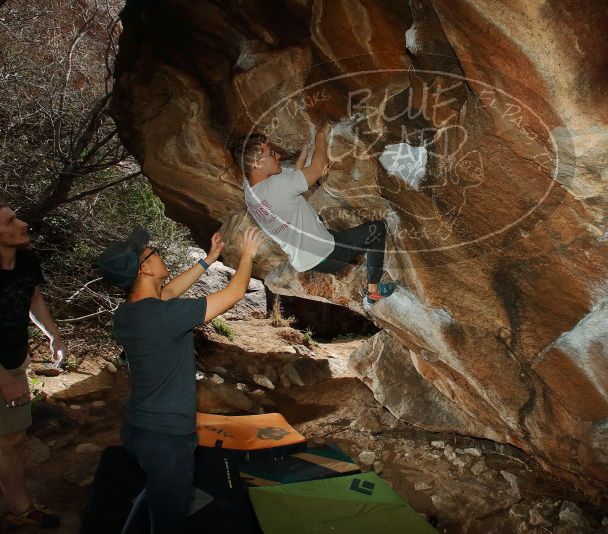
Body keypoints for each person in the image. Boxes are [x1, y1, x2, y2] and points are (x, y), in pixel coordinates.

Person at [97, 226, 265, 534]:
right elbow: (234, 293)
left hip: (136, 429)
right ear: (146, 268)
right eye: (152, 253)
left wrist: (208, 260)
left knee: (157, 491)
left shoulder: (127, 314)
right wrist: (248, 254)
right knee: (170, 521)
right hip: (167, 439)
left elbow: (169, 291)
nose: (158, 253)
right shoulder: (165, 317)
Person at [239, 125, 396, 309]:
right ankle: (373, 292)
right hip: (327, 254)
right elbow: (318, 167)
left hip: (303, 258)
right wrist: (320, 135)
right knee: (376, 229)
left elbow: (291, 185)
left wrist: (303, 158)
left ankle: (354, 257)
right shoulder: (278, 186)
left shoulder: (250, 190)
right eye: (271, 153)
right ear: (256, 163)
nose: (278, 156)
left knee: (322, 223)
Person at [0, 200, 63, 529]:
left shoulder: (25, 260)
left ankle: (19, 506)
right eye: (10, 221)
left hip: (12, 362)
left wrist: (51, 332)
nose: (21, 223)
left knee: (12, 439)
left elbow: (33, 297)